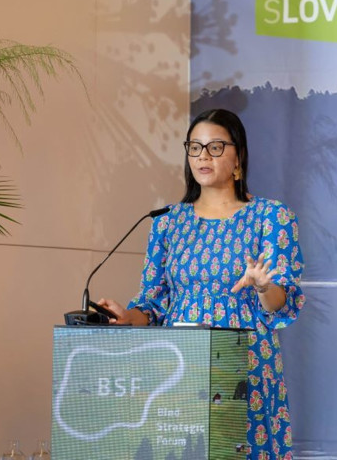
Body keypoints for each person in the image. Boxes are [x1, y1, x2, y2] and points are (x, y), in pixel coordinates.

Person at [98, 108, 305, 459]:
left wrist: (261, 286)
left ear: (238, 157)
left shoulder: (271, 216)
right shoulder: (167, 222)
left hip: (245, 365)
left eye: (215, 147)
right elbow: (152, 302)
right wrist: (126, 316)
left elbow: (279, 303)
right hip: (179, 366)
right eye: (194, 147)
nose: (202, 156)